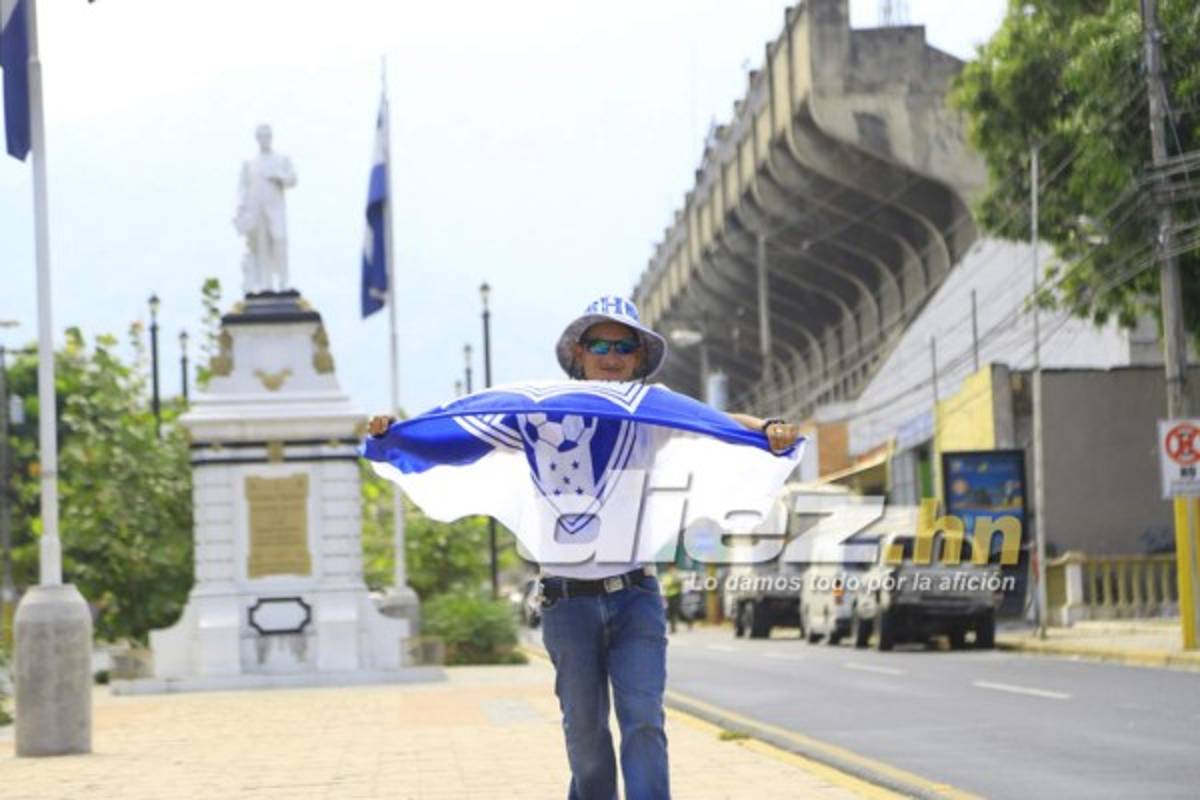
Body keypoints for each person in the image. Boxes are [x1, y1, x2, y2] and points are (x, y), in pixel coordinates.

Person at [367, 295, 800, 800]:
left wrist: (770, 430)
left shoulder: (649, 408)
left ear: (638, 358)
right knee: (585, 732)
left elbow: (720, 422)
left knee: (643, 722)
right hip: (566, 603)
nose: (611, 355)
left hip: (635, 599)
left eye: (623, 346)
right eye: (599, 343)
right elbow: (457, 433)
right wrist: (394, 435)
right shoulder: (533, 412)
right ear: (578, 352)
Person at [234, 124, 297, 294]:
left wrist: (278, 175)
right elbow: (242, 188)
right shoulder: (250, 163)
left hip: (275, 208)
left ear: (271, 137)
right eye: (261, 136)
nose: (265, 139)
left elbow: (292, 179)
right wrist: (241, 208)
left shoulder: (282, 159)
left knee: (280, 240)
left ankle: (284, 282)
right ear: (257, 139)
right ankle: (266, 284)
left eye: (267, 136)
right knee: (262, 246)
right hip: (257, 209)